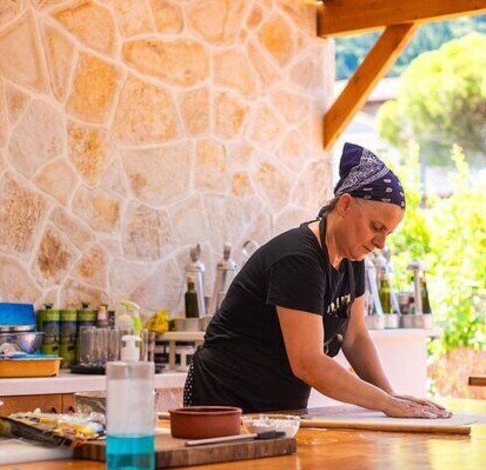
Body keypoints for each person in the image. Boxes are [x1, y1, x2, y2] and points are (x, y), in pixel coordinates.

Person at [185, 143, 450, 421]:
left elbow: (356, 338)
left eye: (389, 233)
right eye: (376, 227)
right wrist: (384, 403)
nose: (381, 243)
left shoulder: (352, 259)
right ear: (346, 204)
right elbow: (308, 363)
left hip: (279, 407)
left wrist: (391, 397)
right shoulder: (298, 259)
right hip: (225, 402)